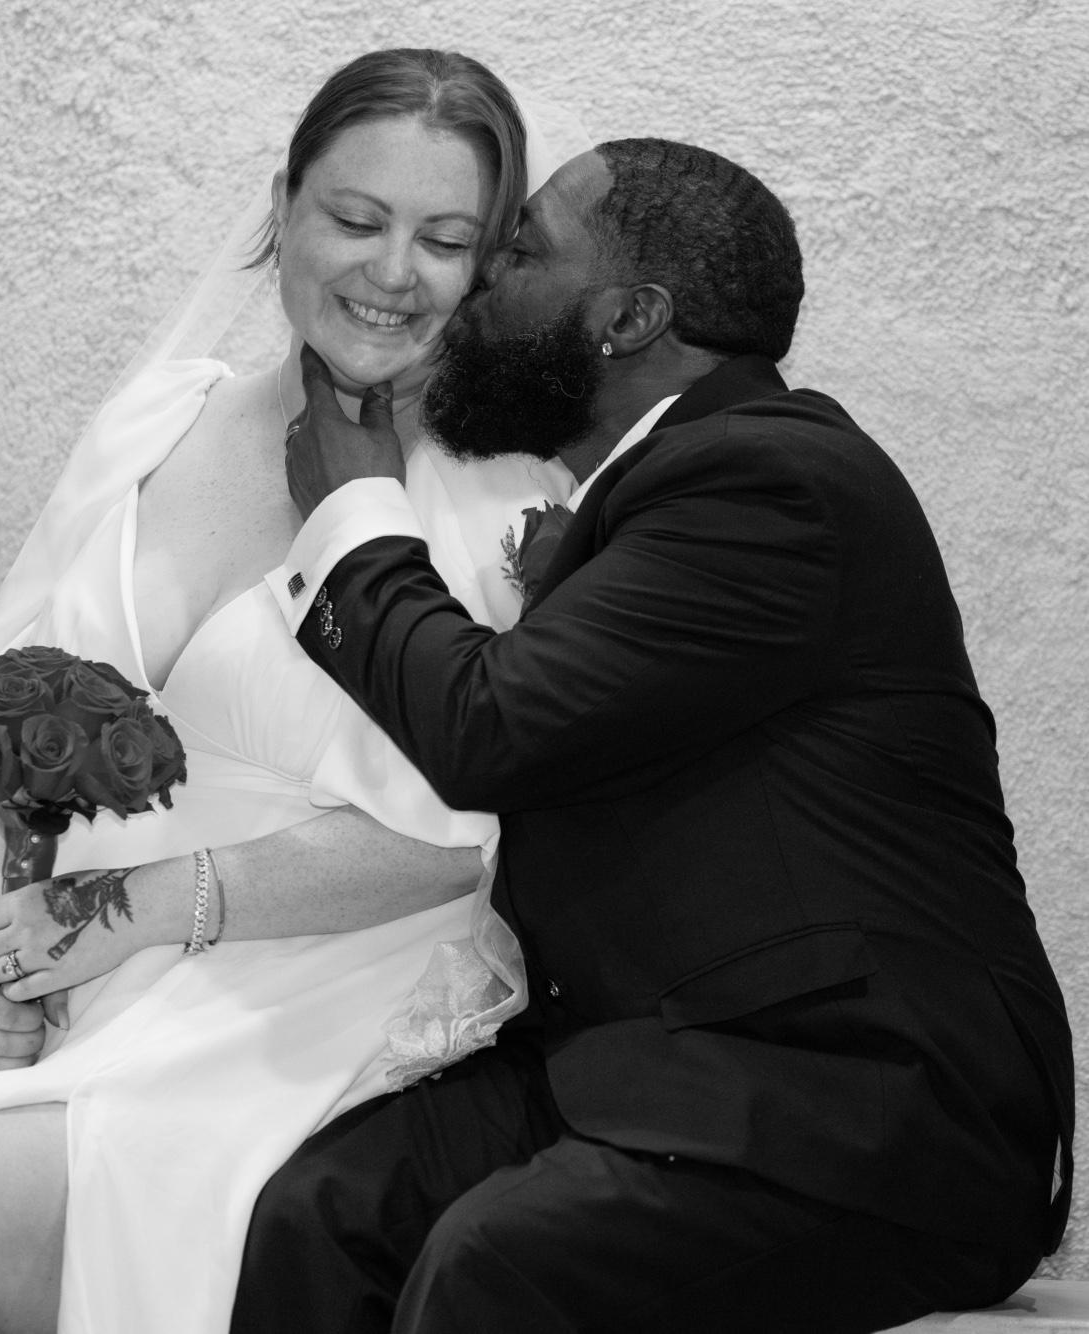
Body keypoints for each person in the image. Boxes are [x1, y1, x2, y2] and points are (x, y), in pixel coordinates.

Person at [0, 50, 589, 1334]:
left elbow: (453, 842)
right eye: (355, 218)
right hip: (66, 965)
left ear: (484, 266)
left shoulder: (503, 498)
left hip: (301, 994)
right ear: (283, 206)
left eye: (442, 240)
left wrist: (124, 914)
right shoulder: (160, 422)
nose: (391, 272)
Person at [230, 138, 1075, 1332]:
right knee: (322, 1209)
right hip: (650, 1065)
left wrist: (353, 514)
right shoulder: (653, 492)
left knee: (499, 1264)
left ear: (627, 318)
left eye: (522, 252)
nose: (480, 279)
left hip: (869, 1099)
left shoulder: (771, 478)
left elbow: (489, 726)